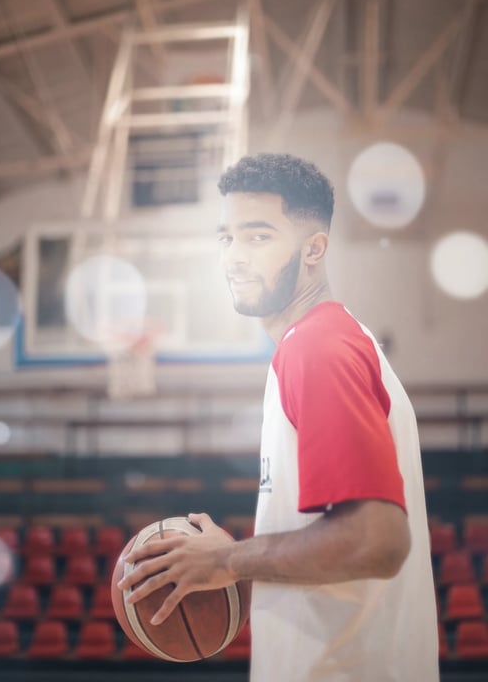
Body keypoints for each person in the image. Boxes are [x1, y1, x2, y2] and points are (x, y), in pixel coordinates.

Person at [118, 153, 439, 681]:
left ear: (314, 248)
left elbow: (377, 540)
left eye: (258, 236)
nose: (234, 257)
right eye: (226, 238)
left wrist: (226, 562)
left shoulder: (317, 348)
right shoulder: (325, 343)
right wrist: (236, 559)